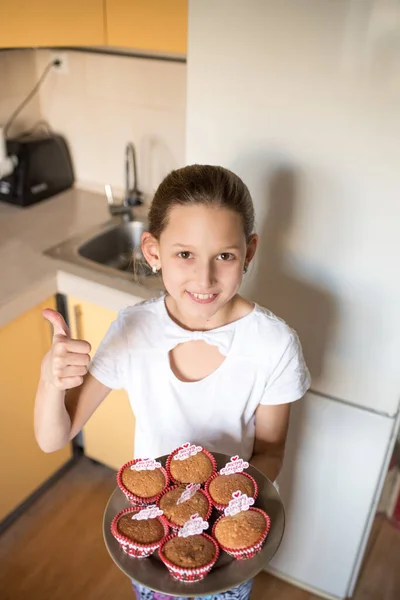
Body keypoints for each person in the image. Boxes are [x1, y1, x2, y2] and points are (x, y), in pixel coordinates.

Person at [34, 164, 311, 600]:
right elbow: (54, 438)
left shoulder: (274, 345)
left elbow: (271, 451)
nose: (204, 280)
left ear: (249, 252)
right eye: (185, 254)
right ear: (153, 250)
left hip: (227, 547)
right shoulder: (132, 330)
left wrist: (227, 502)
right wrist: (51, 381)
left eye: (224, 256)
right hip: (149, 530)